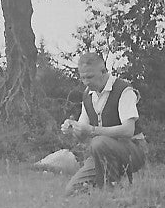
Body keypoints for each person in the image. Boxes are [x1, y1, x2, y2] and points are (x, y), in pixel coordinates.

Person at [61, 53, 147, 195]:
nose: (86, 82)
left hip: (133, 150)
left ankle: (111, 191)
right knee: (72, 190)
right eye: (82, 78)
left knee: (99, 143)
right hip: (101, 153)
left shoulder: (123, 90)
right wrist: (73, 129)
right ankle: (107, 190)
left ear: (103, 71)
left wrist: (93, 130)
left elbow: (128, 130)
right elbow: (84, 133)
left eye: (89, 77)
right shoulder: (88, 95)